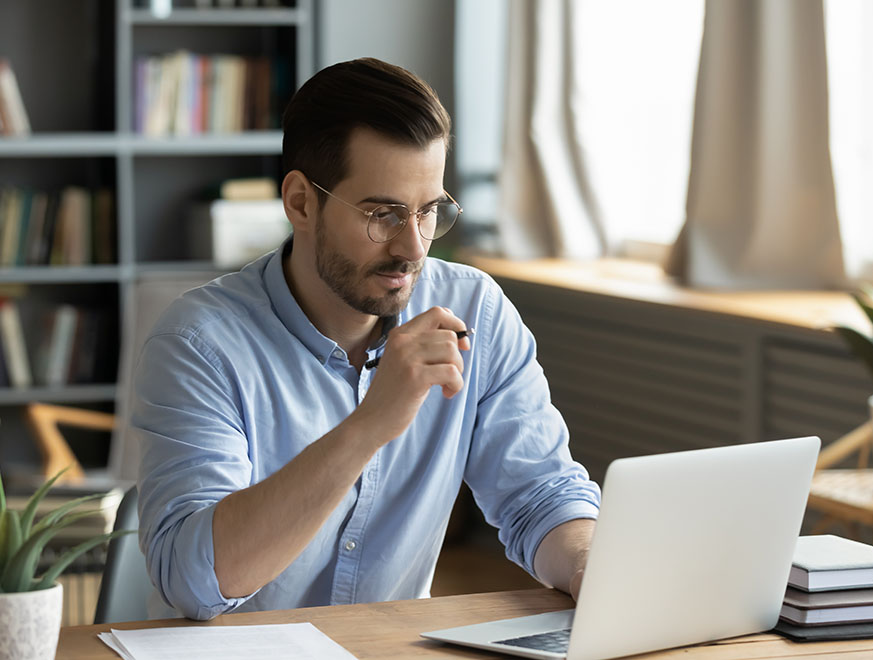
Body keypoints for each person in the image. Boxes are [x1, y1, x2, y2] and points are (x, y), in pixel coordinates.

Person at [132, 57, 601, 621]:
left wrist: (586, 564)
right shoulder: (199, 343)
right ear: (301, 202)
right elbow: (196, 581)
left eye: (429, 211)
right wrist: (372, 422)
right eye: (383, 214)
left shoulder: (476, 309)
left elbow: (540, 496)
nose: (414, 248)